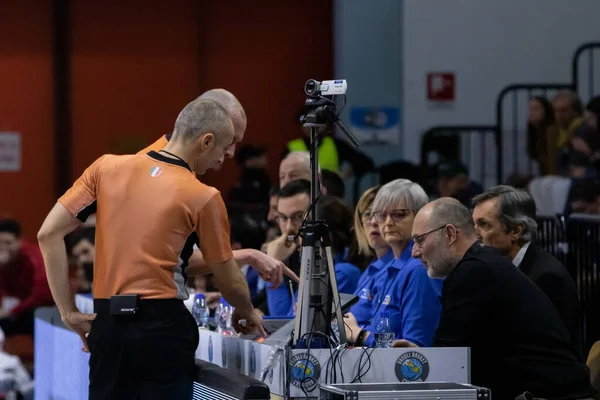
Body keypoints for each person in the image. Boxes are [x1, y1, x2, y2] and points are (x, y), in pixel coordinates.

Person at [37, 99, 266, 399]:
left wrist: (68, 312)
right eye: (223, 149)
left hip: (108, 326)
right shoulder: (204, 196)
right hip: (163, 331)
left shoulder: (105, 167)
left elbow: (47, 234)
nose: (223, 159)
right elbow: (229, 280)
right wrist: (247, 310)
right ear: (206, 141)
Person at [398, 197, 594, 399]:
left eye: (420, 240)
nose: (414, 252)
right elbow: (456, 357)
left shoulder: (473, 273)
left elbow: (449, 365)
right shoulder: (481, 265)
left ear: (449, 234)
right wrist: (423, 357)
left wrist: (424, 361)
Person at [139, 88, 294, 288]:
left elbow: (176, 261)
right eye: (230, 140)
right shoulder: (154, 174)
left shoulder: (179, 172)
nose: (231, 153)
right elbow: (159, 263)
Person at [472, 185, 582, 358]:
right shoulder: (496, 267)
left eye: (483, 224)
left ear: (516, 231)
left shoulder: (548, 277)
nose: (475, 234)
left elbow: (549, 352)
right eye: (474, 224)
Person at [344, 179, 441, 348]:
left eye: (399, 214)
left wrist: (359, 335)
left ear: (419, 216)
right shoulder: (390, 269)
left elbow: (415, 349)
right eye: (381, 215)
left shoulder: (418, 269)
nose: (387, 222)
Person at [348, 186, 394, 326]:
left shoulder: (402, 268)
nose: (373, 222)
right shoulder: (371, 270)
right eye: (368, 214)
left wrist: (357, 334)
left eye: (380, 214)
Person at [0, 218, 54, 335]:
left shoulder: (34, 256)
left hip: (44, 307)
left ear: (19, 241)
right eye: (0, 242)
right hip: (21, 305)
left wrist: (11, 311)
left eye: (8, 243)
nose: (3, 247)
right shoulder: (3, 260)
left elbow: (42, 295)